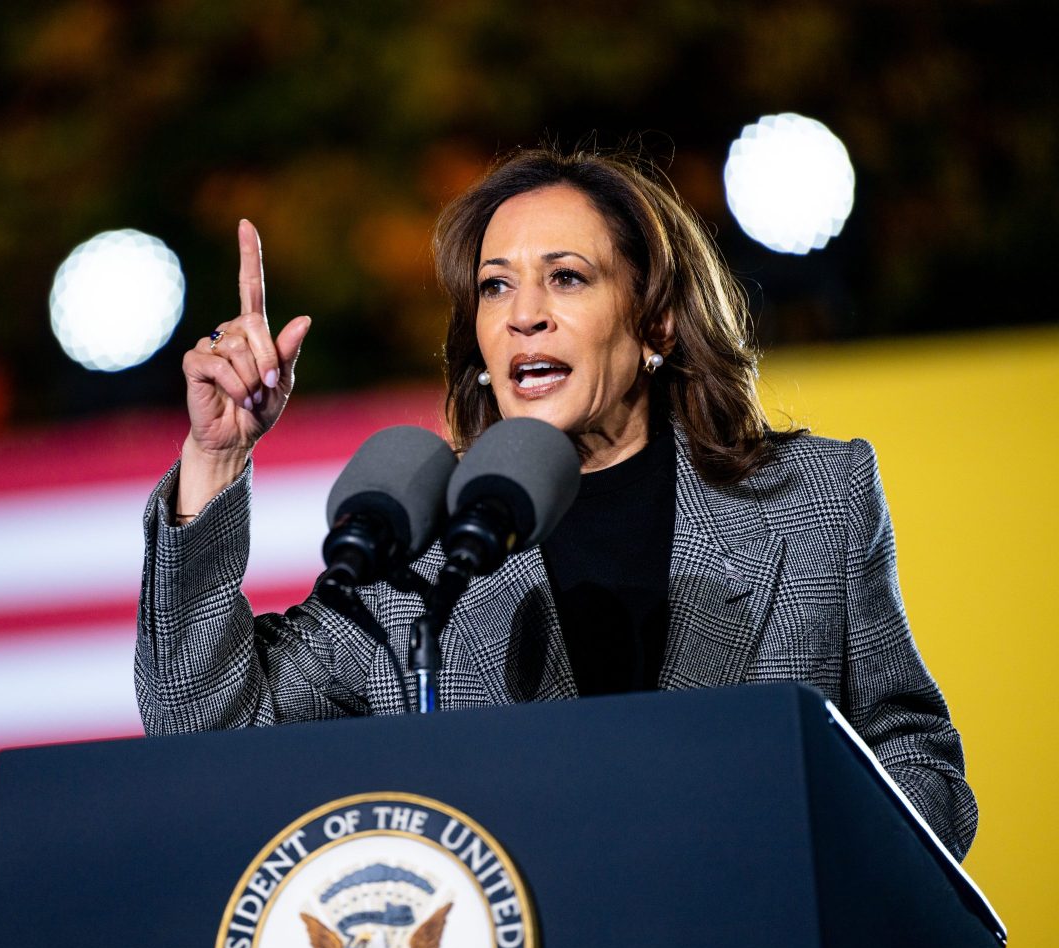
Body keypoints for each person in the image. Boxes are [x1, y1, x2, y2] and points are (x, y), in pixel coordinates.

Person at [132, 147, 977, 860]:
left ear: (656, 325)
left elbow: (918, 761)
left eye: (565, 278)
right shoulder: (418, 554)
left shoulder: (813, 503)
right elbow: (204, 727)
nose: (523, 317)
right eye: (495, 289)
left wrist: (800, 854)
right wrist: (216, 456)